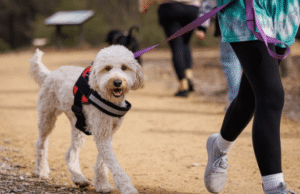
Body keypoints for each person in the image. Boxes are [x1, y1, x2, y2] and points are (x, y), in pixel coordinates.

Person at [198, 0, 299, 193]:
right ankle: (274, 188)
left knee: (251, 96)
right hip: (245, 8)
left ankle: (218, 147)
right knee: (271, 96)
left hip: (283, 9)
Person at [139, 0, 201, 97]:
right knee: (185, 43)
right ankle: (189, 77)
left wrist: (144, 7)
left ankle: (183, 86)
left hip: (170, 8)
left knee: (177, 45)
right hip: (192, 9)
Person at [195, 2, 242, 108]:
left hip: (228, 25)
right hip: (256, 27)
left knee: (231, 62)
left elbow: (208, 5)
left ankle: (236, 103)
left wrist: (202, 27)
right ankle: (252, 102)